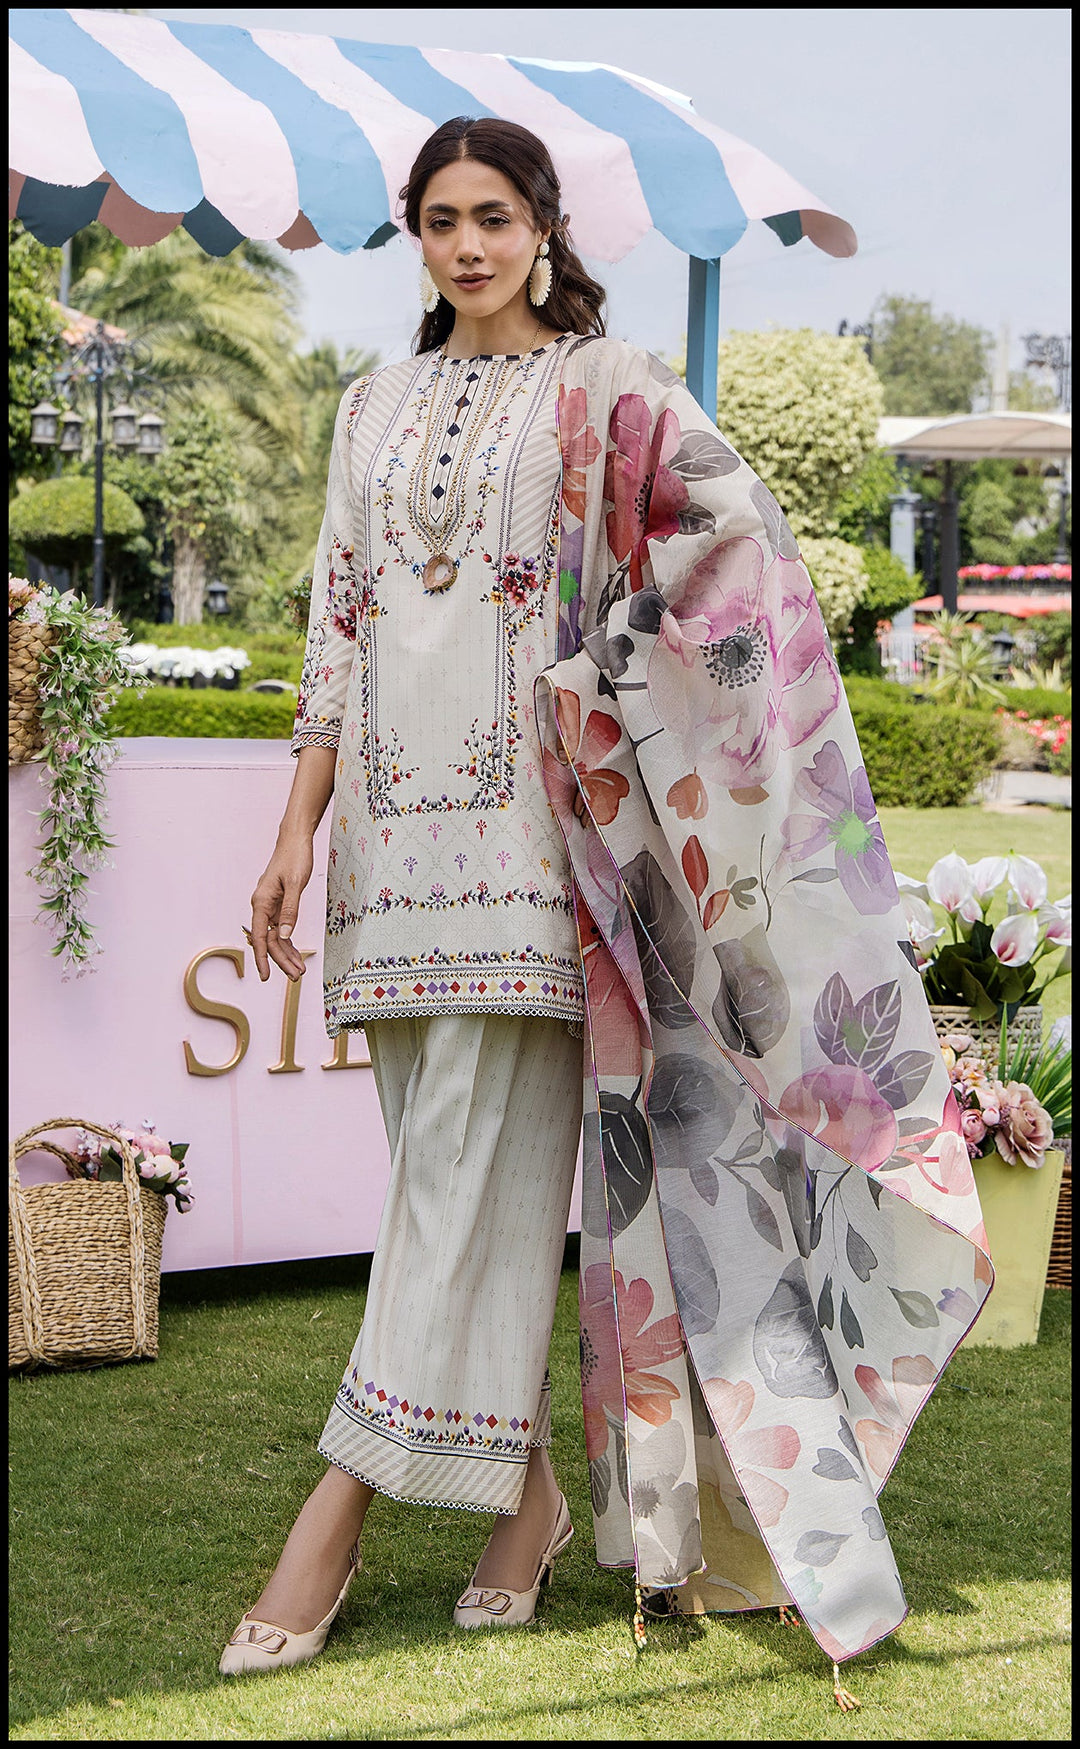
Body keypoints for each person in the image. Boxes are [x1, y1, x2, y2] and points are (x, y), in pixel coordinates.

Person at [223, 118, 992, 1702]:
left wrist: (611, 680)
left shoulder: (606, 388)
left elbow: (733, 548)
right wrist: (297, 827)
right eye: (442, 219)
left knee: (454, 1189)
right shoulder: (367, 409)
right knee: (450, 1193)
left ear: (544, 228)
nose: (468, 245)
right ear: (416, 235)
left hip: (534, 854)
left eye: (495, 216)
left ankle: (331, 1517)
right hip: (387, 861)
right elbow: (337, 629)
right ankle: (525, 1508)